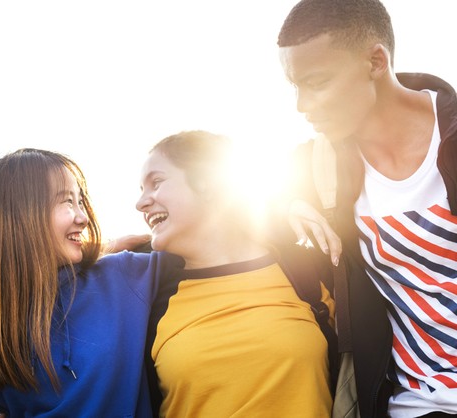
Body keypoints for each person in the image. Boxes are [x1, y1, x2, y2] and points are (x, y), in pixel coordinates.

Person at [277, 0, 457, 417]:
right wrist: (288, 203)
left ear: (376, 61)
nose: (303, 105)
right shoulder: (320, 168)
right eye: (295, 87)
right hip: (415, 405)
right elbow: (237, 200)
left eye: (317, 81)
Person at [0, 148, 177, 417]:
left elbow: (208, 246)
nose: (83, 218)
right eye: (68, 202)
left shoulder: (125, 275)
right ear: (22, 213)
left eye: (81, 202)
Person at [136, 130, 336, 417]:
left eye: (155, 183)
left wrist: (286, 203)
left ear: (207, 182)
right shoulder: (147, 295)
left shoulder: (305, 269)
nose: (141, 202)